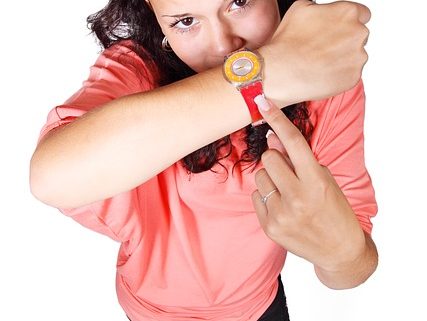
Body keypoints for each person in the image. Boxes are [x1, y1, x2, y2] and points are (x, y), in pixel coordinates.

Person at [30, 0, 378, 320]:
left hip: (262, 303)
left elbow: (356, 264)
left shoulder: (325, 83)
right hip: (154, 311)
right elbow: (52, 176)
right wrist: (266, 75)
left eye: (239, 1)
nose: (225, 46)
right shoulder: (136, 70)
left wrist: (342, 255)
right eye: (184, 21)